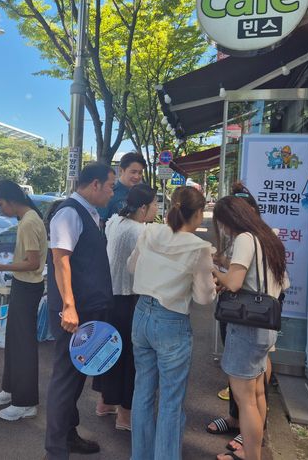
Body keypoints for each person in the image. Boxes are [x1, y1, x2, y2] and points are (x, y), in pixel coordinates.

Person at [127, 186, 217, 460]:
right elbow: (203, 297)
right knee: (171, 401)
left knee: (142, 391)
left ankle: (139, 455)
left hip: (142, 313)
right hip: (171, 322)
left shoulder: (149, 232)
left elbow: (133, 267)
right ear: (199, 213)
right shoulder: (199, 248)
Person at [45, 163, 116, 459]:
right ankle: (55, 450)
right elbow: (61, 260)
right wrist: (69, 307)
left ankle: (68, 436)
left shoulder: (91, 213)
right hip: (74, 313)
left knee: (76, 379)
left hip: (90, 308)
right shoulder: (69, 212)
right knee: (65, 378)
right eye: (111, 185)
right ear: (95, 184)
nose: (113, 191)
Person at [212, 197, 290, 460]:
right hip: (265, 325)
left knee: (245, 401)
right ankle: (251, 452)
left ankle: (251, 455)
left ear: (229, 220)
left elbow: (234, 283)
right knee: (257, 395)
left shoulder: (245, 238)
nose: (221, 228)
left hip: (246, 327)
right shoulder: (266, 236)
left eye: (221, 223)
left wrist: (212, 268)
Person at [93, 183, 158, 431]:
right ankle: (125, 415)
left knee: (108, 352)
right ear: (143, 207)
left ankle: (105, 403)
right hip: (127, 299)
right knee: (129, 358)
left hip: (107, 296)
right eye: (154, 204)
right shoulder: (139, 231)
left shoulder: (115, 222)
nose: (156, 209)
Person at [0, 180, 48, 422]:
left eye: (1, 204)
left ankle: (26, 402)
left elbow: (32, 262)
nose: (1, 209)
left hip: (28, 285)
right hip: (25, 285)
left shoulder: (29, 222)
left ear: (11, 201)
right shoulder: (28, 220)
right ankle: (11, 389)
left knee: (22, 344)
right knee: (14, 339)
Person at [97, 152, 147, 225]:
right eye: (133, 172)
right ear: (121, 170)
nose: (137, 176)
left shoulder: (140, 196)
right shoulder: (108, 194)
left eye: (140, 173)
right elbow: (98, 224)